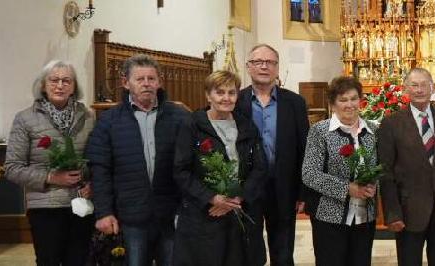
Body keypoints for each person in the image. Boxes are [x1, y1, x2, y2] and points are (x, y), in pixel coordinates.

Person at [86, 54, 189, 266]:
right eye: (139, 79)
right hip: (131, 215)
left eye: (151, 79)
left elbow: (191, 166)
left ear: (159, 82)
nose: (146, 84)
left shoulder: (179, 117)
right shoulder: (109, 121)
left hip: (171, 214)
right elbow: (100, 170)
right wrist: (104, 212)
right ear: (126, 83)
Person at [171, 71, 267, 266]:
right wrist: (212, 198)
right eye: (220, 92)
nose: (226, 98)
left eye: (232, 92)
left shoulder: (246, 125)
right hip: (205, 214)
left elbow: (259, 167)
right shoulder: (192, 125)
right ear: (208, 95)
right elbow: (181, 170)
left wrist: (238, 197)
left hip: (240, 210)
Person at [4, 60, 95, 266]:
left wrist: (92, 182)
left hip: (81, 204)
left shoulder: (88, 116)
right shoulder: (25, 119)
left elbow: (96, 159)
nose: (60, 85)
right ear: (43, 85)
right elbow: (12, 168)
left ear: (74, 87)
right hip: (46, 206)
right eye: (54, 80)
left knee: (80, 261)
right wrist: (50, 177)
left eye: (66, 80)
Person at [234, 43, 309, 266]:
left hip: (284, 186)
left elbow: (304, 148)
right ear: (248, 67)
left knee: (283, 251)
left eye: (270, 62)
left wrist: (302, 191)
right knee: (250, 250)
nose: (264, 66)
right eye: (258, 62)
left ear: (277, 68)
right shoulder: (236, 101)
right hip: (247, 187)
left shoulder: (295, 102)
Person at [378, 68, 435, 266]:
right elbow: (385, 172)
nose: (419, 89)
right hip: (408, 211)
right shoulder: (391, 123)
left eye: (424, 84)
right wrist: (392, 213)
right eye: (414, 85)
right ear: (406, 89)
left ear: (433, 88)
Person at [301, 76, 378, 266]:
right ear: (333, 104)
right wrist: (346, 188)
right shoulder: (320, 131)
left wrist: (375, 185)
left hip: (364, 216)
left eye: (353, 98)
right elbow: (309, 173)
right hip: (329, 216)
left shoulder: (373, 130)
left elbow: (381, 167)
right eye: (343, 100)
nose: (349, 104)